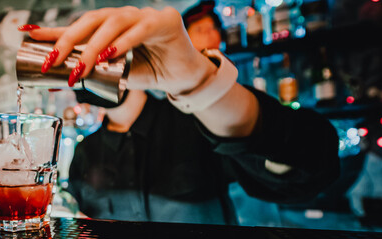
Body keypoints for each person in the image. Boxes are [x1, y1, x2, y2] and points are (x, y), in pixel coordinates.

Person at [18, 3, 340, 224]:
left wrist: (197, 83)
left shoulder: (196, 124)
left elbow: (314, 166)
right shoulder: (85, 155)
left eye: (96, 54)